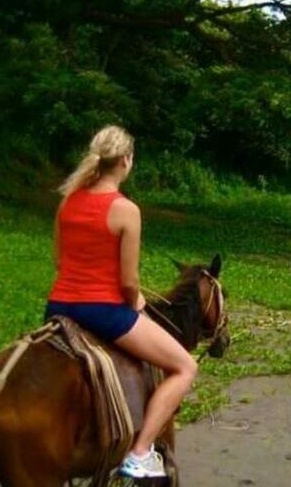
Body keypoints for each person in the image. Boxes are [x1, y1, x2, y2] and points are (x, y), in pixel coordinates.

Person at [46, 126, 197, 479]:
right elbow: (128, 282)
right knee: (185, 366)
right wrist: (137, 299)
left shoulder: (68, 201)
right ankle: (141, 452)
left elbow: (59, 261)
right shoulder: (125, 210)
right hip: (104, 311)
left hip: (58, 306)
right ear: (126, 161)